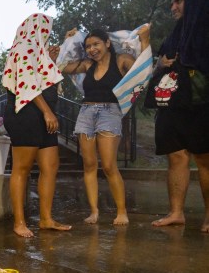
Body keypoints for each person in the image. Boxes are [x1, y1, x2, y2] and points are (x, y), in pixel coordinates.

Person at [61, 26, 150, 225]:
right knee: (89, 165)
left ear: (107, 43)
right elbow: (60, 66)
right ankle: (94, 212)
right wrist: (68, 41)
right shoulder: (86, 65)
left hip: (110, 113)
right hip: (86, 113)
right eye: (88, 46)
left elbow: (144, 69)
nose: (92, 49)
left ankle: (121, 212)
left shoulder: (122, 60)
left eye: (96, 44)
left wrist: (145, 39)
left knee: (109, 165)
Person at [2, 13, 72, 238]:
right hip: (26, 113)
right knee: (22, 169)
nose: (47, 35)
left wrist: (49, 61)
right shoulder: (24, 47)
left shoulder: (37, 51)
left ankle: (46, 219)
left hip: (43, 114)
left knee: (50, 166)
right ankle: (19, 222)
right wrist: (47, 112)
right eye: (46, 30)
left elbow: (42, 78)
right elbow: (27, 83)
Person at [151, 0, 209, 232]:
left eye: (178, 1)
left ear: (194, 2)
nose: (173, 7)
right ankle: (176, 213)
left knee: (205, 158)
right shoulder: (174, 34)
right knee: (175, 156)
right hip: (172, 104)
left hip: (201, 103)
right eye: (172, 3)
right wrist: (161, 63)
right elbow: (156, 68)